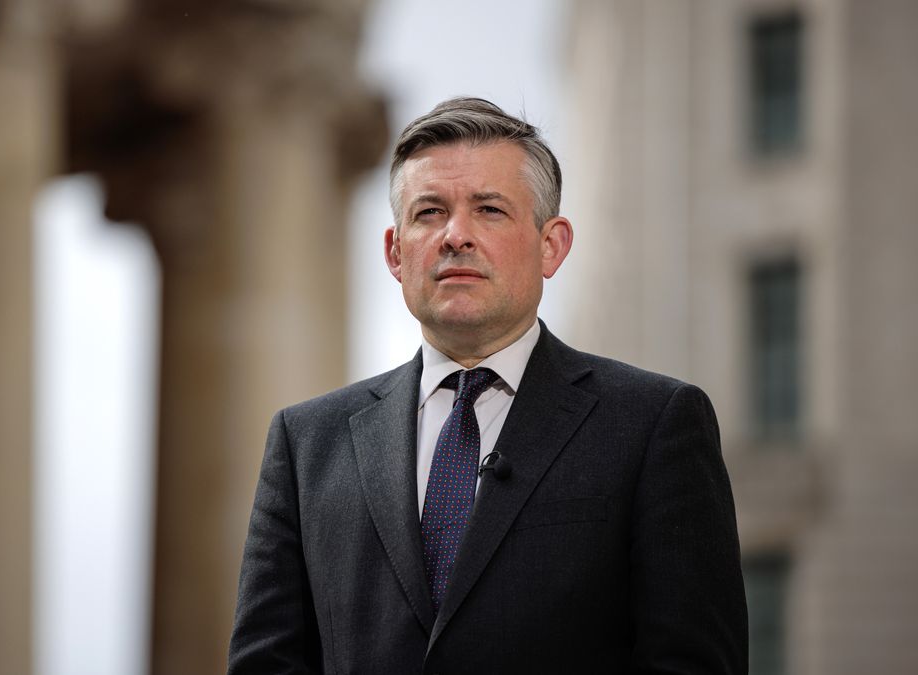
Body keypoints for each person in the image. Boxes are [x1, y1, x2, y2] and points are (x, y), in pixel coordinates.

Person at [228, 97, 747, 674]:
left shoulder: (655, 423)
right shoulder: (305, 444)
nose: (455, 236)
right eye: (429, 212)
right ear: (395, 253)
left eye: (490, 210)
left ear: (552, 245)